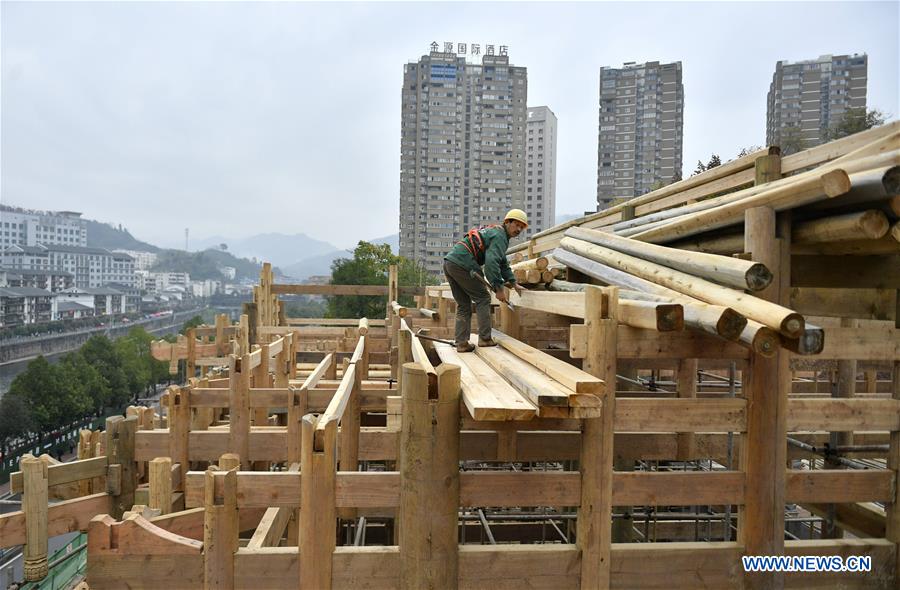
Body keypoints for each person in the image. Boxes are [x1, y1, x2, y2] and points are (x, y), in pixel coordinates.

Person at [443, 209, 528, 352]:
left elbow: (502, 263)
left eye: (522, 227)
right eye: (516, 225)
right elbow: (491, 263)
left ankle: (461, 343)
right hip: (463, 262)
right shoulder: (500, 236)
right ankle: (485, 339)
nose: (518, 229)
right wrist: (498, 288)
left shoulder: (498, 234)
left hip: (450, 263)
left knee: (463, 305)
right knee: (483, 298)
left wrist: (513, 283)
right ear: (507, 222)